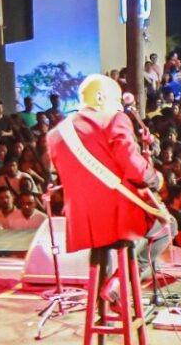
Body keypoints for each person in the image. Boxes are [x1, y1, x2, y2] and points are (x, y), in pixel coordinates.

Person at [45, 74, 160, 255]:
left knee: (102, 251)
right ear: (100, 97)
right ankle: (132, 275)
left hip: (81, 222)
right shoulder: (113, 119)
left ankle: (108, 280)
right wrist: (154, 179)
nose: (120, 106)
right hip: (118, 218)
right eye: (116, 99)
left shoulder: (55, 134)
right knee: (166, 225)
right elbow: (134, 169)